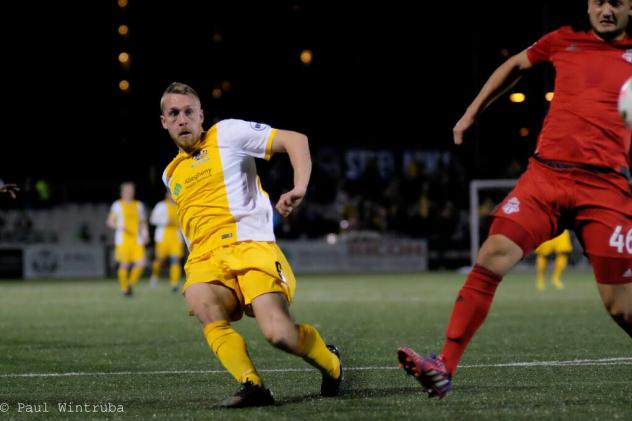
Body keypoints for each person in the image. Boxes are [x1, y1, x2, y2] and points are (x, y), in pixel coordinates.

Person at [398, 0, 632, 399]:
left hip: (606, 187)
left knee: (621, 308)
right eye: (598, 1)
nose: (606, 9)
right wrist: (471, 113)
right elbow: (514, 66)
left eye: (617, 1)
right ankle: (443, 368)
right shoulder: (564, 40)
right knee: (492, 255)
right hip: (546, 177)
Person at [159, 82, 342, 408]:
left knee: (279, 335)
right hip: (206, 258)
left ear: (201, 115)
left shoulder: (227, 134)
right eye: (174, 113)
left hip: (252, 247)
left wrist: (299, 186)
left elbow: (296, 140)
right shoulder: (170, 174)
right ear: (164, 121)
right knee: (199, 298)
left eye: (189, 112)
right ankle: (252, 384)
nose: (182, 119)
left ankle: (331, 363)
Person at [106, 182, 149, 296]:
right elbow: (110, 222)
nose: (129, 192)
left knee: (141, 263)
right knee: (124, 265)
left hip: (137, 239)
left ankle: (130, 284)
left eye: (131, 190)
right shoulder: (117, 205)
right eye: (126, 190)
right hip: (123, 239)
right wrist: (120, 226)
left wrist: (145, 234)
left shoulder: (138, 205)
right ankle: (124, 289)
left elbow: (143, 222)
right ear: (122, 192)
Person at [149, 190, 185, 291]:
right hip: (163, 238)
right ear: (167, 195)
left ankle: (174, 284)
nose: (172, 196)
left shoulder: (180, 205)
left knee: (175, 260)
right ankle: (155, 276)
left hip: (176, 238)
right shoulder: (161, 205)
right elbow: (152, 219)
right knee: (159, 260)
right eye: (170, 194)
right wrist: (165, 221)